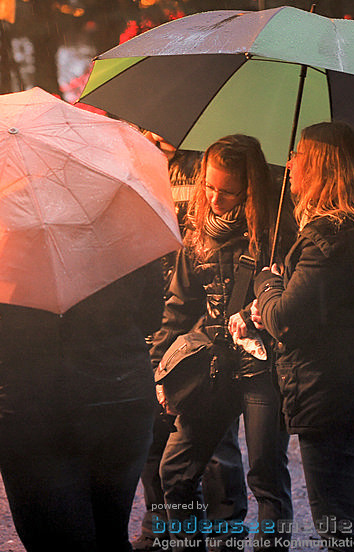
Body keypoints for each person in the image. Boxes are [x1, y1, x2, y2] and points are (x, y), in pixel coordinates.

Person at [240, 121, 354, 552]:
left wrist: (266, 281)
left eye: (298, 155)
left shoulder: (330, 236)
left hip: (334, 392)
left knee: (341, 528)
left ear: (319, 167)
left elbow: (285, 320)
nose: (290, 162)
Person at [0, 259, 165, 552]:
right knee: (109, 537)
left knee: (55, 539)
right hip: (120, 395)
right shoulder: (126, 219)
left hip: (35, 399)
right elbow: (151, 315)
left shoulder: (6, 218)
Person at [150, 134, 293, 552]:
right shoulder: (197, 232)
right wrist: (157, 367)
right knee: (175, 471)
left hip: (264, 369)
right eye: (209, 187)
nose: (215, 198)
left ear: (250, 189)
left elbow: (292, 305)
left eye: (227, 191)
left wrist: (261, 302)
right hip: (213, 366)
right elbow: (178, 304)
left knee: (267, 478)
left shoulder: (276, 232)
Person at [134, 132, 248, 552]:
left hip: (209, 327)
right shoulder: (143, 161)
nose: (215, 198)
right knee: (160, 434)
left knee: (216, 445)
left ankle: (224, 532)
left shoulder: (205, 159)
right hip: (167, 304)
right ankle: (162, 528)